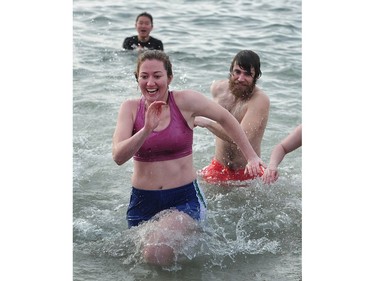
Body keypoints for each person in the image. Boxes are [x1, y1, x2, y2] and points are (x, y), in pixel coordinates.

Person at [112, 50, 265, 266]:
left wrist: (251, 156)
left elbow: (225, 117)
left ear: (169, 78)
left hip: (183, 199)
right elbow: (119, 156)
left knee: (155, 253)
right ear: (137, 78)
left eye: (157, 76)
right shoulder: (129, 109)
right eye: (144, 76)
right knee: (145, 265)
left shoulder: (185, 102)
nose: (150, 82)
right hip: (141, 202)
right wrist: (146, 129)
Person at [194, 50, 270, 183]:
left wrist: (206, 123)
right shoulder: (218, 89)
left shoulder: (260, 100)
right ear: (231, 71)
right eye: (237, 72)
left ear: (256, 77)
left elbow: (241, 137)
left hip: (247, 172)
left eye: (247, 74)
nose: (241, 78)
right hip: (218, 167)